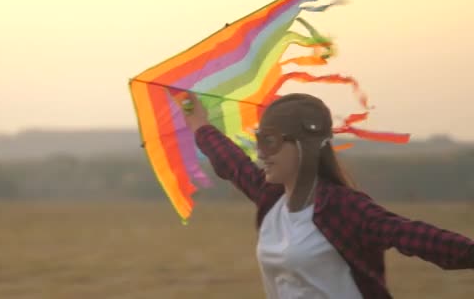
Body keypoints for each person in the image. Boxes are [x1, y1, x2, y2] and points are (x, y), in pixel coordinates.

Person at [181, 92, 474, 299]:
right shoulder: (271, 198)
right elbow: (233, 164)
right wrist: (197, 121)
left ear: (304, 146)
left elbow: (412, 235)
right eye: (259, 140)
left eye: (269, 141)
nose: (260, 152)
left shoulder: (343, 207)